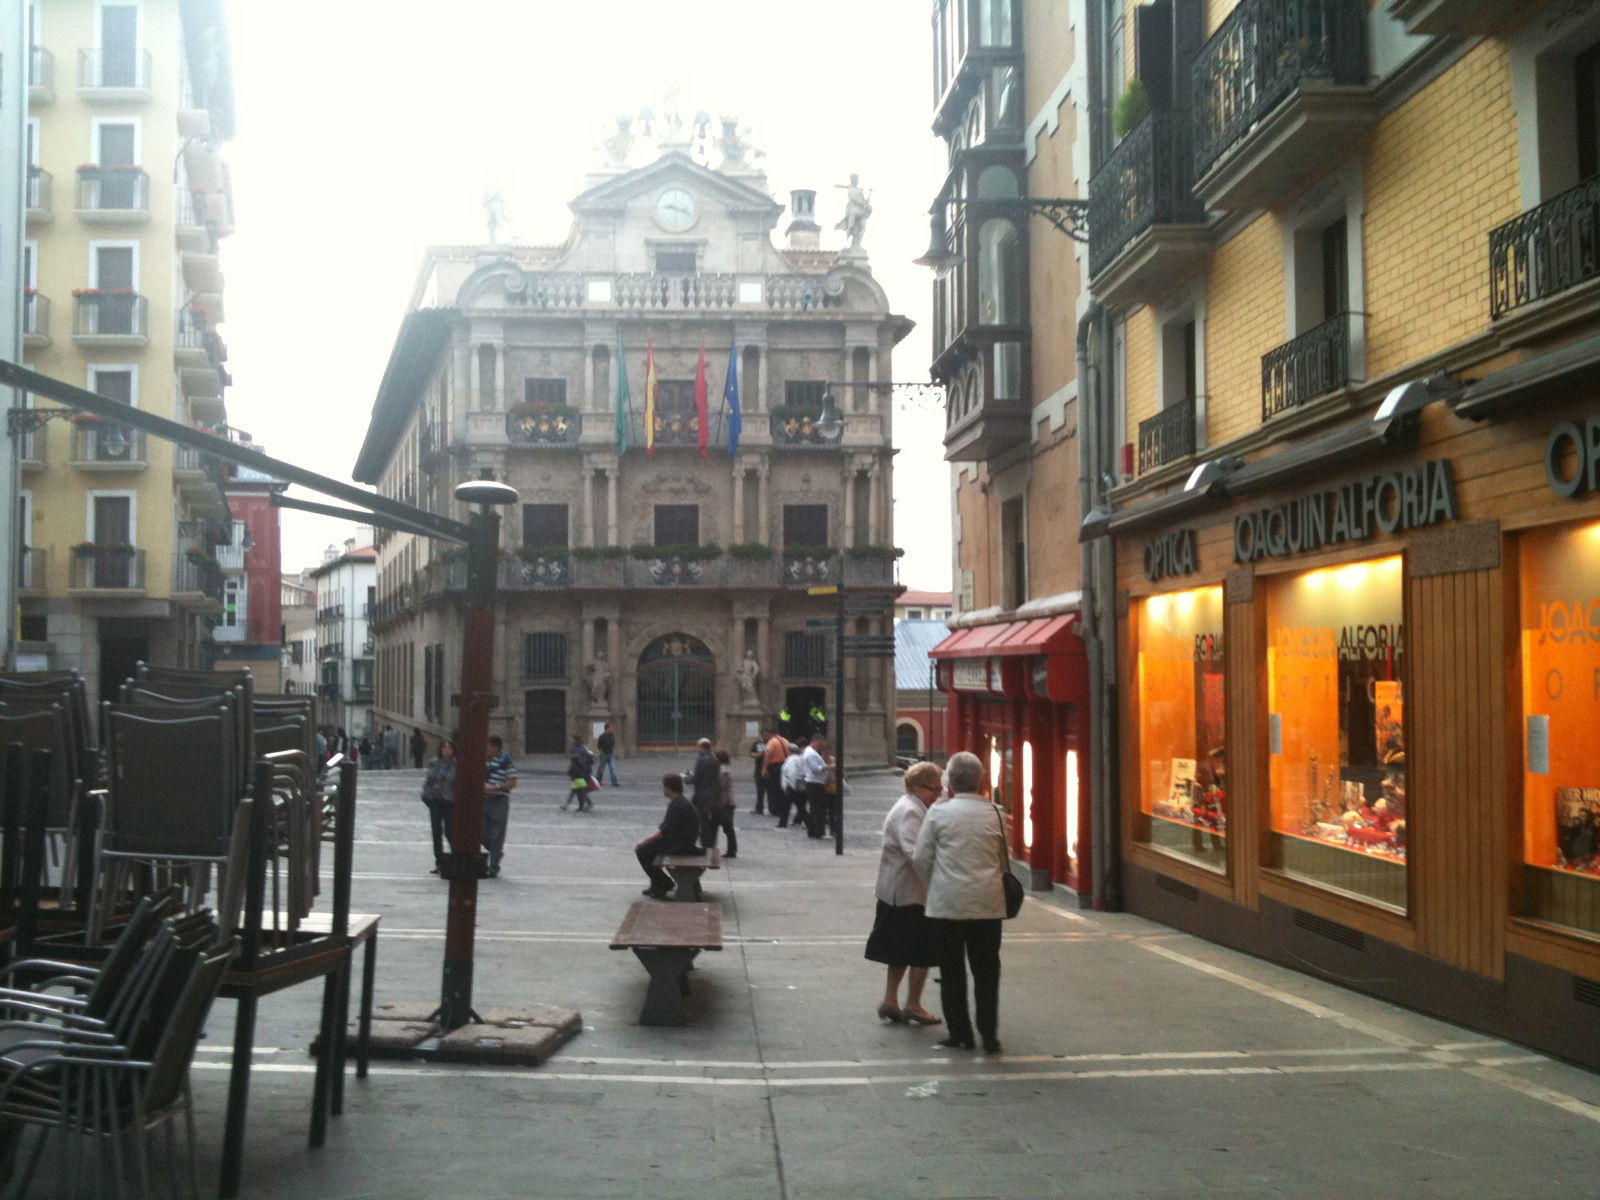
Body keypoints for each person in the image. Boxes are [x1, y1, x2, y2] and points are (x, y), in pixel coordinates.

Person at [912, 751, 1007, 1055]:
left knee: (952, 973)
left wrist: (937, 883)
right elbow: (1004, 861)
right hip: (988, 905)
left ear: (950, 782)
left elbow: (921, 858)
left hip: (947, 905)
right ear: (980, 780)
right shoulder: (995, 813)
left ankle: (960, 1033)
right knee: (987, 971)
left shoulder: (938, 813)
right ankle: (989, 1034)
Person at [866, 761, 944, 1026]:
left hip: (898, 893)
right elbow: (916, 855)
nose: (937, 794)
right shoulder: (911, 811)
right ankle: (913, 1005)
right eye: (932, 789)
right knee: (922, 952)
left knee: (899, 951)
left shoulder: (910, 806)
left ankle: (890, 1000)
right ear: (915, 786)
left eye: (939, 789)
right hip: (909, 895)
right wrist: (940, 881)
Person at [635, 773, 701, 899]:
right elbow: (666, 828)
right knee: (648, 850)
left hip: (682, 845)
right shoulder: (679, 802)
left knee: (642, 851)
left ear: (669, 788)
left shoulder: (677, 805)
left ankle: (663, 883)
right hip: (681, 841)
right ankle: (658, 884)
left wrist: (644, 841)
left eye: (663, 787)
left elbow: (664, 831)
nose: (663, 790)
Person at [482, 734, 518, 878]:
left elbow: (513, 782)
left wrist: (494, 787)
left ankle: (494, 866)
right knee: (480, 832)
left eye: (488, 746)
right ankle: (496, 851)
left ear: (495, 748)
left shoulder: (506, 761)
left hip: (499, 800)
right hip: (483, 800)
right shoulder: (482, 760)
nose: (485, 749)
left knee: (497, 833)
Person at [421, 739, 457, 875]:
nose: (446, 750)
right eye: (444, 747)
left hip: (449, 801)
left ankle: (454, 858)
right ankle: (439, 861)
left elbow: (454, 779)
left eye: (449, 748)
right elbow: (429, 780)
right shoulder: (434, 762)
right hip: (435, 800)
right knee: (436, 831)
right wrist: (426, 794)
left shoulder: (456, 763)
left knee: (450, 831)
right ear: (440, 750)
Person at [690, 737, 720, 850]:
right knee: (706, 820)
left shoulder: (701, 760)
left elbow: (697, 778)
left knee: (702, 821)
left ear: (702, 747)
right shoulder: (715, 759)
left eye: (698, 747)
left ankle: (707, 845)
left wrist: (687, 779)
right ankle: (709, 844)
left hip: (701, 795)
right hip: (712, 795)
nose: (697, 749)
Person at [707, 748, 738, 858]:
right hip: (722, 803)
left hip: (724, 804)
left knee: (726, 827)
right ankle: (712, 849)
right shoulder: (724, 768)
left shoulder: (722, 770)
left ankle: (731, 850)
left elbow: (719, 787)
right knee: (715, 826)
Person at [801, 735, 832, 839]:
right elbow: (816, 768)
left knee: (815, 808)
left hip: (816, 782)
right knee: (818, 808)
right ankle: (818, 831)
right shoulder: (811, 753)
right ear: (816, 741)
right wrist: (830, 767)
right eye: (820, 743)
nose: (821, 746)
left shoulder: (812, 752)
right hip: (815, 783)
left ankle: (814, 830)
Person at [763, 728, 790, 826]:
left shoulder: (772, 742)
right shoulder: (785, 741)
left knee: (772, 788)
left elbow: (768, 754)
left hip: (774, 767)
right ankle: (781, 808)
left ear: (771, 734)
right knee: (781, 788)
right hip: (784, 765)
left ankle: (774, 809)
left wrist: (764, 768)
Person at [565, 732, 596, 813]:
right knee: (577, 790)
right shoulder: (583, 748)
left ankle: (587, 804)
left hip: (579, 772)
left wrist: (575, 758)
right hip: (582, 772)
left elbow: (578, 761)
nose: (571, 741)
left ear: (575, 740)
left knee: (579, 790)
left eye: (572, 740)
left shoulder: (577, 749)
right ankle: (579, 806)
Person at [782, 738, 808, 831]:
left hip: (793, 786)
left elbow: (792, 774)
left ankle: (783, 823)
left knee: (793, 806)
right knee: (799, 806)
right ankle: (783, 822)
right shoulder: (799, 758)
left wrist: (791, 786)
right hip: (799, 784)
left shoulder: (792, 760)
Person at [749, 729, 768, 815]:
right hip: (759, 769)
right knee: (760, 790)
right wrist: (756, 755)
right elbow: (751, 753)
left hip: (768, 769)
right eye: (764, 735)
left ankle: (772, 807)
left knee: (770, 790)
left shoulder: (771, 743)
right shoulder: (758, 743)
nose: (765, 737)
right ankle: (759, 808)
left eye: (767, 735)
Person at [596, 721, 620, 787]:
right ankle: (598, 781)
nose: (612, 728)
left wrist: (614, 752)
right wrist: (601, 753)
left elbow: (613, 744)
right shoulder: (602, 736)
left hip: (611, 754)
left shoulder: (612, 736)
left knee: (613, 768)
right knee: (601, 769)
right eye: (611, 727)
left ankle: (614, 782)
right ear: (607, 728)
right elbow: (599, 746)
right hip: (604, 755)